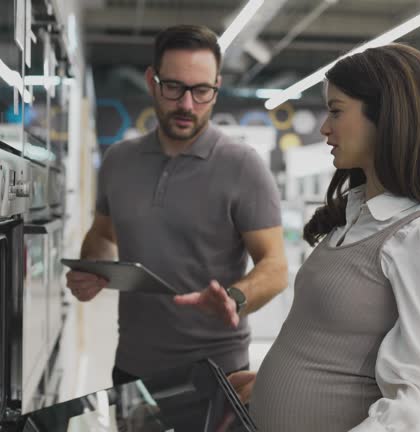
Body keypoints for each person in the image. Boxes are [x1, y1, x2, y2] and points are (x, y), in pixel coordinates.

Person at [229, 43, 420, 432]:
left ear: (387, 117)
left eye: (336, 111)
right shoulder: (357, 214)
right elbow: (335, 346)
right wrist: (275, 383)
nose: (325, 127)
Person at [66, 25, 288, 386]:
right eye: (174, 88)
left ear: (216, 87)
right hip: (132, 368)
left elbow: (276, 266)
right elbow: (104, 236)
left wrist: (235, 297)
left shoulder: (243, 166)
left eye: (201, 91)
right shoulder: (118, 161)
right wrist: (94, 271)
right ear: (153, 80)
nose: (187, 105)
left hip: (216, 373)